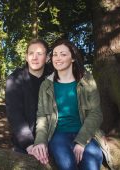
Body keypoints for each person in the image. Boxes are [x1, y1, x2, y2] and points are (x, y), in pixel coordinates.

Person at [32, 39, 113, 170]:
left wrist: (81, 142)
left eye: (63, 54)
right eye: (55, 54)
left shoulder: (86, 81)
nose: (57, 58)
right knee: (67, 165)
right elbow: (42, 116)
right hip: (58, 135)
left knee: (92, 164)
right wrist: (40, 141)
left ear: (73, 58)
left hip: (85, 133)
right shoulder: (46, 85)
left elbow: (96, 113)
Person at [5, 39, 53, 154]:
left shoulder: (54, 77)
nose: (34, 57)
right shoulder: (15, 79)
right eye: (31, 53)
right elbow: (15, 115)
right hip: (24, 143)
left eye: (39, 54)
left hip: (52, 139)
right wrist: (29, 144)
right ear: (26, 57)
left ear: (47, 58)